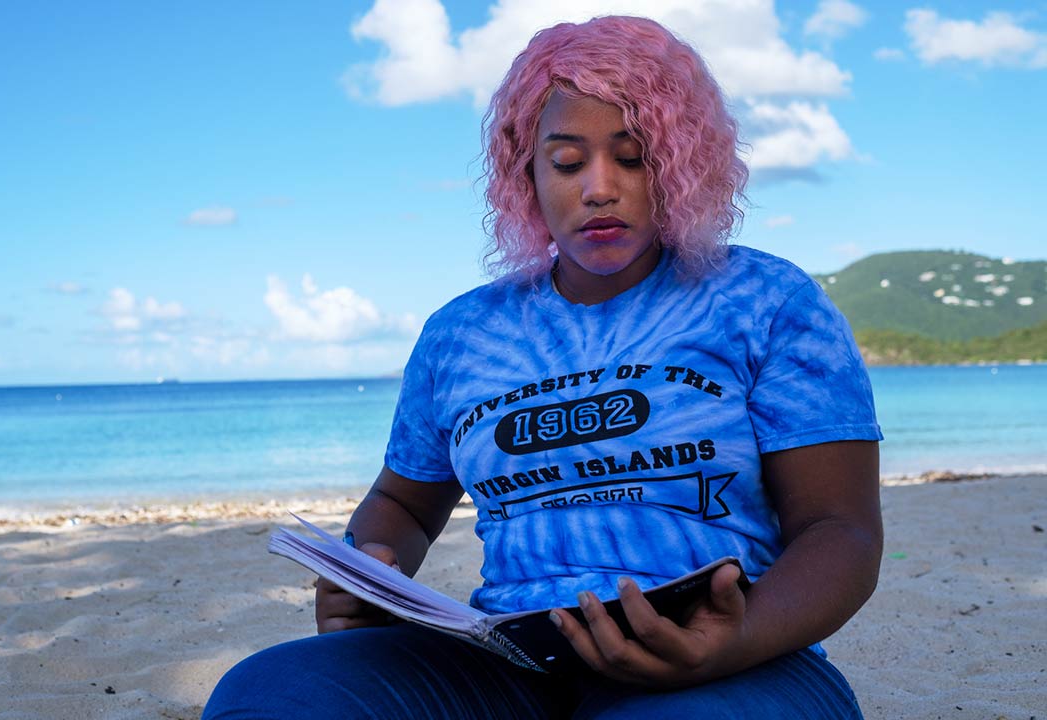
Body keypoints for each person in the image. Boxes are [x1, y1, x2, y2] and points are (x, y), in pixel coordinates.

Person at [204, 14, 882, 720]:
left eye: (634, 156)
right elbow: (405, 502)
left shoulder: (765, 301)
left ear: (685, 161)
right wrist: (370, 567)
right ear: (523, 170)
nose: (599, 187)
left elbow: (841, 530)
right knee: (268, 691)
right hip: (508, 665)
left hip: (728, 663)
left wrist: (737, 637)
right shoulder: (462, 334)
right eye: (566, 161)